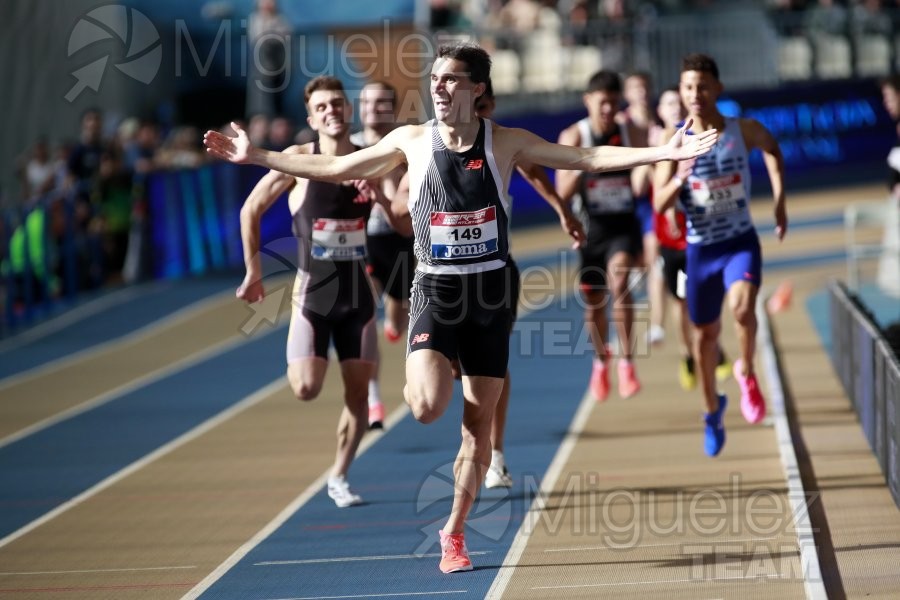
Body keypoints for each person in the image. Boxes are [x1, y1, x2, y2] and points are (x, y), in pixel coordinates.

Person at [204, 42, 717, 573]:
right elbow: (334, 167)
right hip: (436, 289)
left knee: (477, 424)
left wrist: (664, 154)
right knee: (426, 407)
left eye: (452, 80)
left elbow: (586, 157)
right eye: (435, 79)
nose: (440, 88)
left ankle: (454, 534)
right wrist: (258, 156)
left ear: (477, 90)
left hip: (490, 296)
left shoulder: (506, 142)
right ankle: (419, 371)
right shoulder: (412, 141)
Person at [233, 76, 404, 508]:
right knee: (306, 388)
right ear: (311, 118)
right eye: (322, 107)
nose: (332, 111)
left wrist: (381, 199)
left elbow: (403, 223)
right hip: (313, 294)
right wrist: (254, 269)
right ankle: (307, 355)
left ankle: (340, 476)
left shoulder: (371, 159)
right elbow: (251, 208)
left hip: (358, 298)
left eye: (338, 104)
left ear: (349, 111)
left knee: (358, 391)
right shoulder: (298, 160)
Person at [653, 53, 787, 457]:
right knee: (705, 338)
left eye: (703, 85)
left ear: (718, 89)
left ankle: (746, 371)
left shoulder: (741, 129)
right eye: (688, 86)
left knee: (744, 309)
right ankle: (712, 411)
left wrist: (780, 203)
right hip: (701, 252)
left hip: (739, 243)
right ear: (682, 91)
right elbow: (659, 202)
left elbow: (774, 151)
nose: (696, 93)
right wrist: (679, 174)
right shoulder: (673, 141)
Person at [470, 80, 585, 489]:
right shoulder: (436, 142)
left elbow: (538, 175)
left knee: (494, 364)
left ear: (492, 103)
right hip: (446, 280)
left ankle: (495, 454)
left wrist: (562, 212)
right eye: (473, 106)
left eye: (484, 106)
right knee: (453, 373)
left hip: (497, 271)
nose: (477, 113)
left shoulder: (502, 143)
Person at [555, 70, 649, 403]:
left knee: (620, 282)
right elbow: (561, 191)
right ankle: (600, 360)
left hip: (623, 226)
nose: (608, 110)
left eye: (613, 102)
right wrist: (588, 162)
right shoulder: (574, 135)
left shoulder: (630, 131)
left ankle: (627, 362)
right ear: (588, 101)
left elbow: (650, 164)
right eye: (602, 103)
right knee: (594, 303)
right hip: (591, 232)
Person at [350, 81, 415, 429]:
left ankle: (394, 320)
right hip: (360, 242)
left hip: (399, 236)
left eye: (380, 104)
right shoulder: (350, 147)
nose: (373, 109)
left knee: (398, 313)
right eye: (367, 103)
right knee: (363, 317)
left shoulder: (405, 146)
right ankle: (374, 400)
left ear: (392, 108)